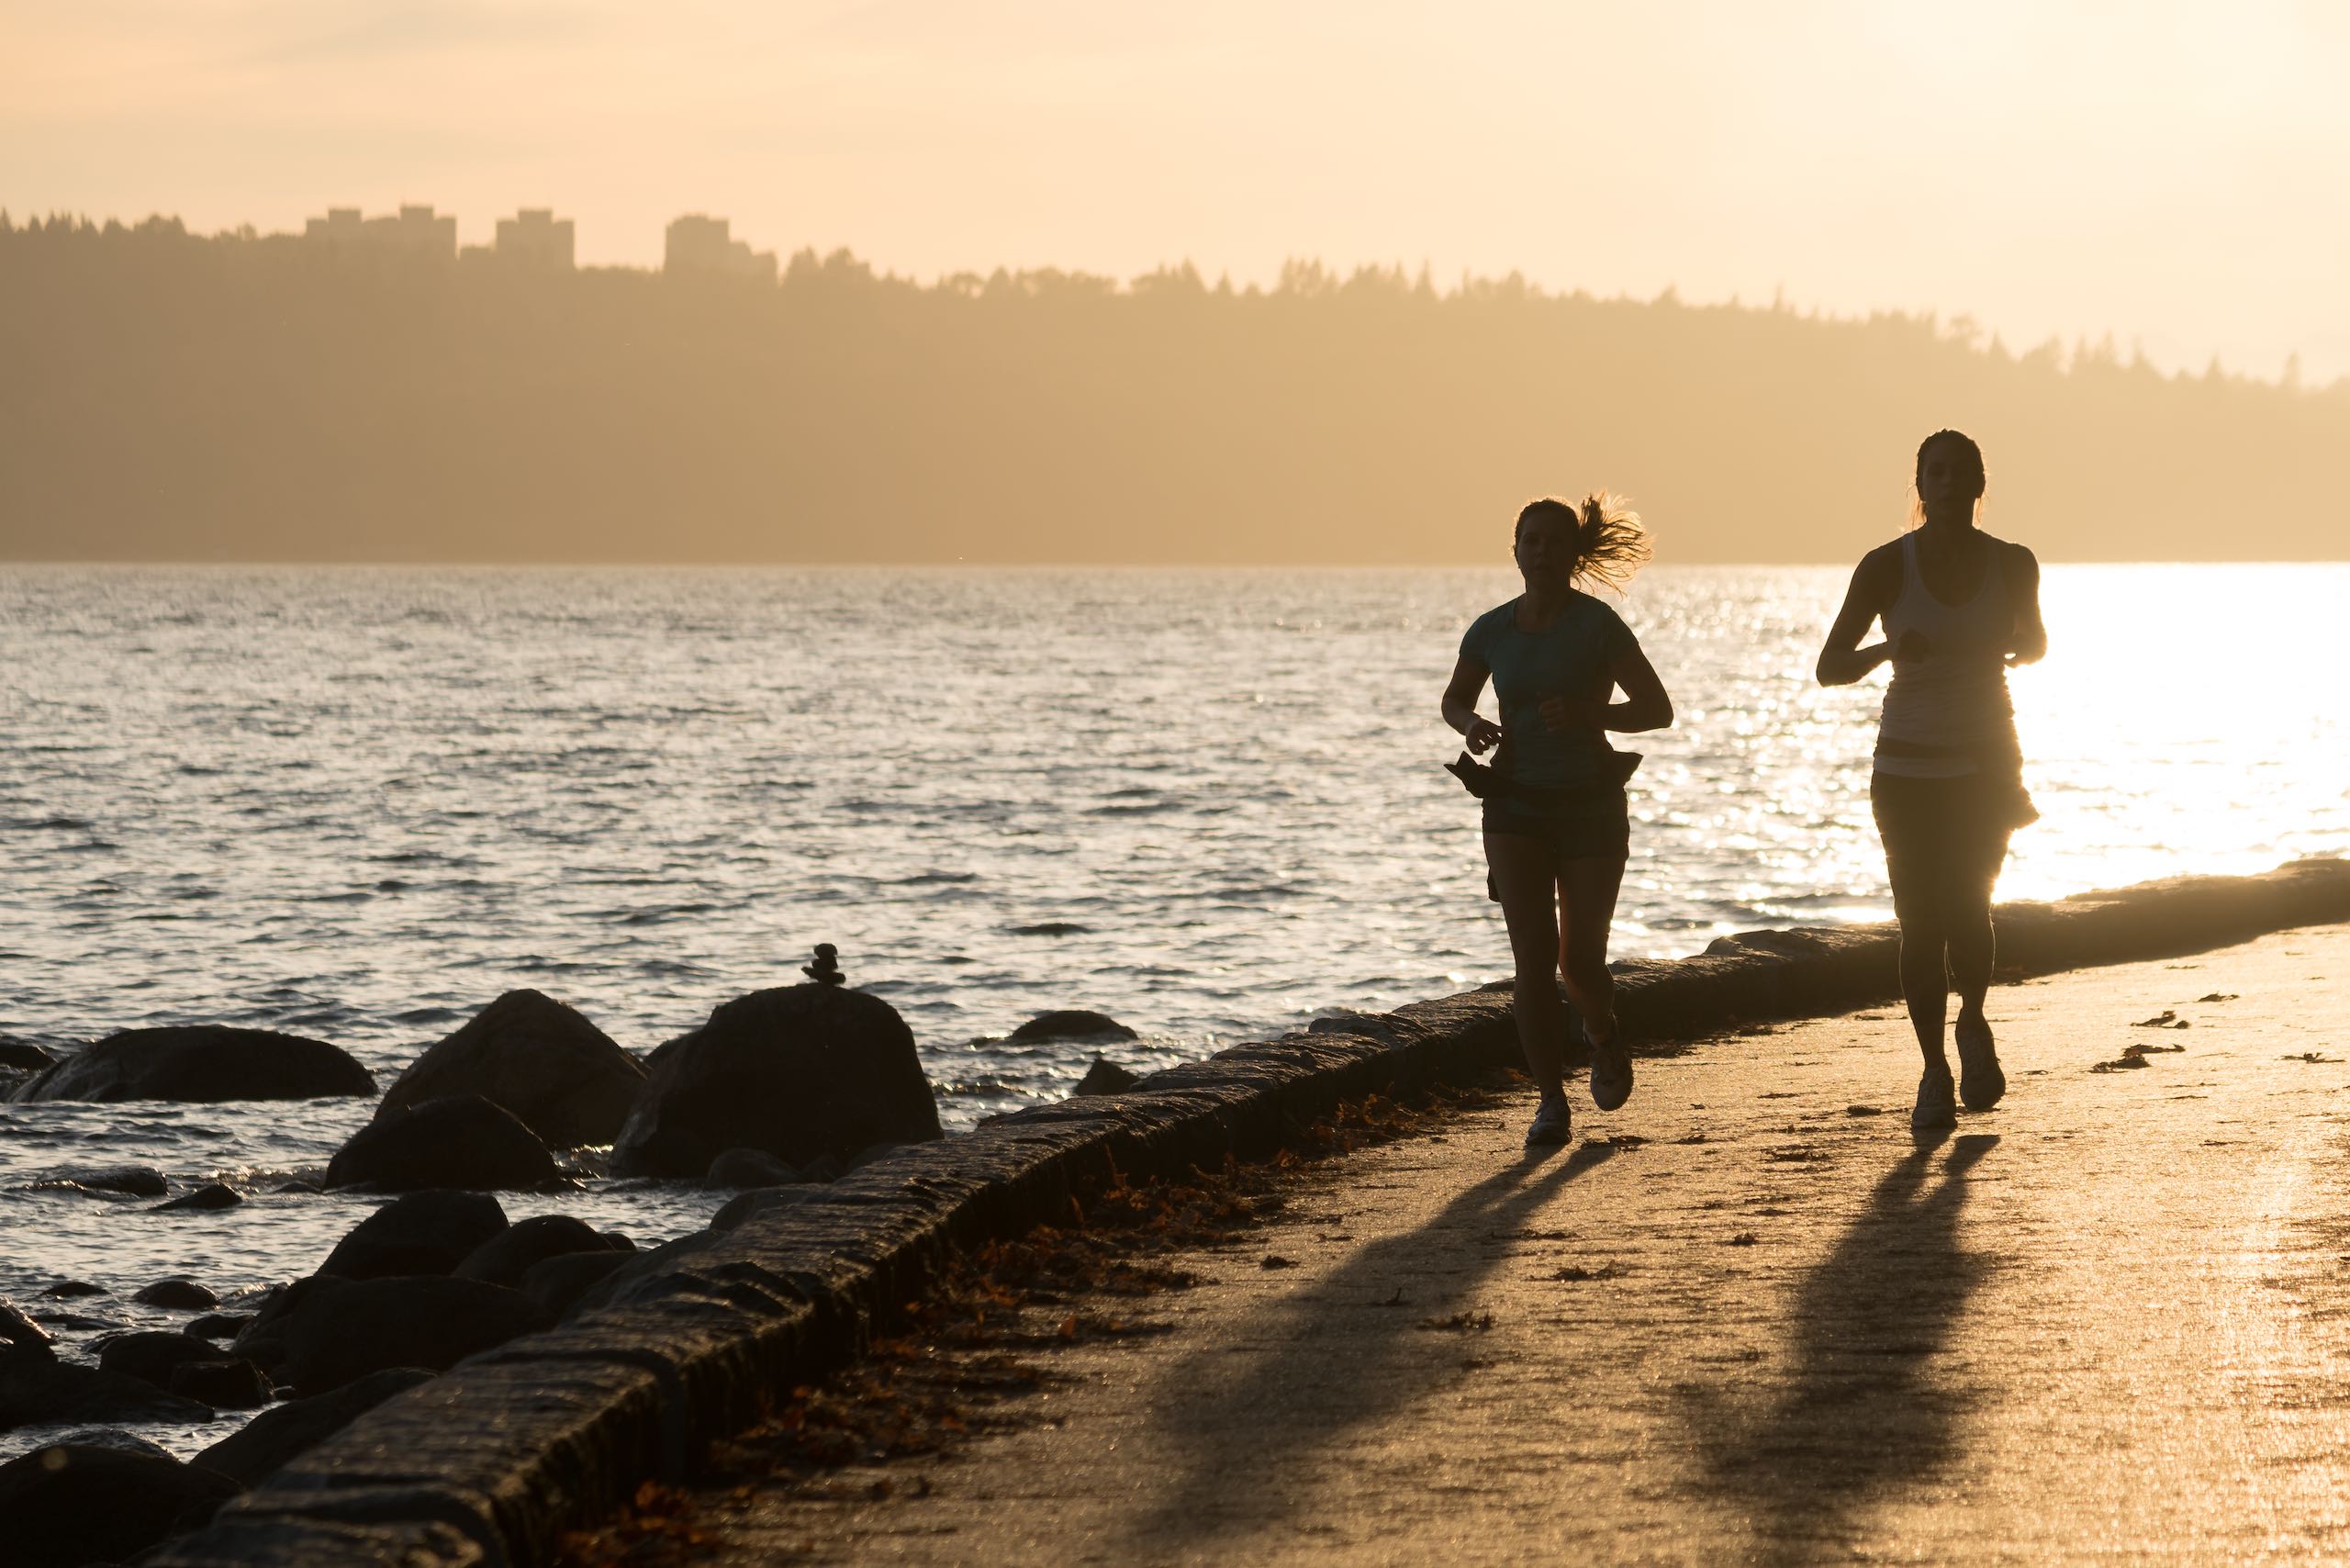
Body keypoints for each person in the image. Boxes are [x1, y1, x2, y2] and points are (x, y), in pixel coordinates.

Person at [1817, 430, 2046, 1134]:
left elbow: (2036, 642)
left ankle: (1972, 1021)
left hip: (1986, 765)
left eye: (1960, 473)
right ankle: (1933, 1072)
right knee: (1920, 924)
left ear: (1980, 484)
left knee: (1970, 913)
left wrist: (2008, 646)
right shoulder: (1887, 567)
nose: (1947, 484)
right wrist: (1891, 646)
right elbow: (1830, 666)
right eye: (1934, 473)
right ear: (1920, 485)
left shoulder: (2012, 563)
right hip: (1905, 770)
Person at [1441, 495, 1674, 1148]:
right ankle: (1549, 1101)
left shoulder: (1598, 626)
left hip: (1591, 806)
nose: (1541, 552)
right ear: (1515, 552)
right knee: (1533, 960)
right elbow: (1455, 699)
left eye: (1553, 542)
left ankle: (1602, 1035)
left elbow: (1658, 709)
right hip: (1513, 806)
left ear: (1573, 555)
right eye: (1530, 541)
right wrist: (1472, 724)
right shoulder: (1491, 630)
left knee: (1581, 962)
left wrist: (1588, 713)